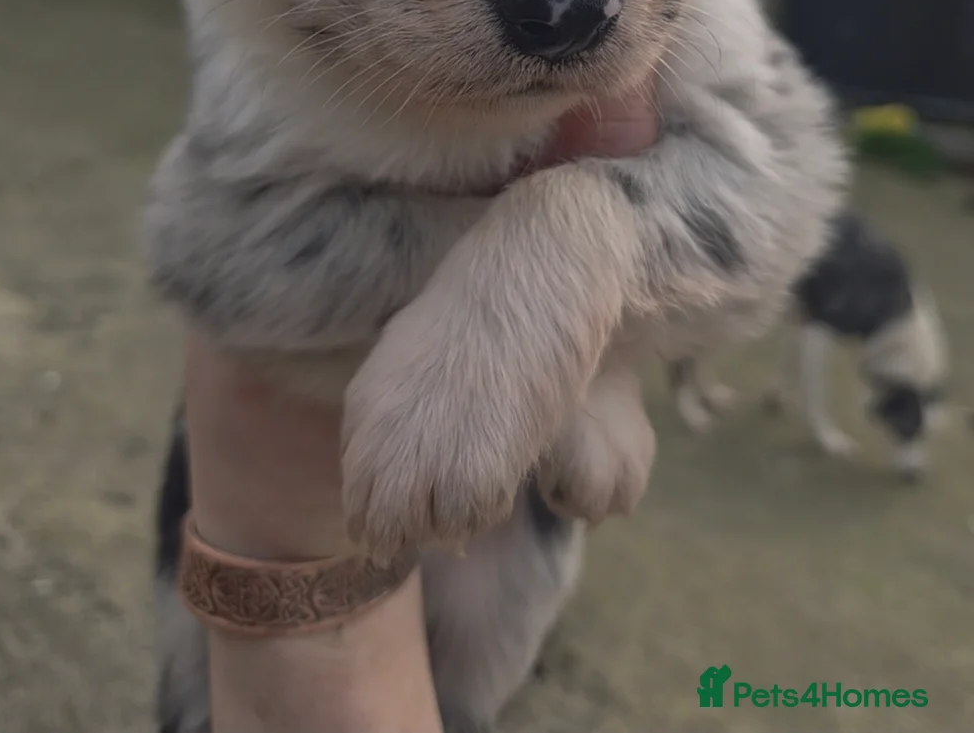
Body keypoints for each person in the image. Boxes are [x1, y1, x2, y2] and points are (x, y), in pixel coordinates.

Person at [184, 86, 661, 732]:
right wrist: (551, 292)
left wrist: (574, 300)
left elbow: (759, 201)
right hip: (280, 496)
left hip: (483, 549)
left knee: (470, 692)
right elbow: (204, 249)